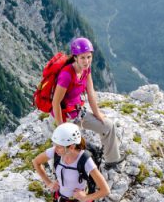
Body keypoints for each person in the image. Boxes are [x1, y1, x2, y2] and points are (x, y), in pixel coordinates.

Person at [33, 123, 110, 202]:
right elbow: (36, 162)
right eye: (55, 145)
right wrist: (49, 183)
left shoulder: (85, 161)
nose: (55, 149)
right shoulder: (56, 152)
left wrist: (85, 198)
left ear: (72, 146)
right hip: (62, 200)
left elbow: (105, 190)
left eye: (59, 147)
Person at [51, 37, 122, 166]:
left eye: (89, 57)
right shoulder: (66, 75)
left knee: (108, 126)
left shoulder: (86, 69)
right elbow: (56, 103)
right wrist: (62, 128)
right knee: (74, 150)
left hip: (77, 113)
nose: (86, 61)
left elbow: (90, 92)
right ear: (75, 57)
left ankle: (112, 160)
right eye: (82, 57)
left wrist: (97, 114)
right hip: (65, 116)